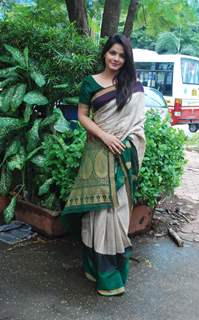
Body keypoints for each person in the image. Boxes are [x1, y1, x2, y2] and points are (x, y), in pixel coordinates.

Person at [61, 33, 146, 296]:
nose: (116, 59)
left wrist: (124, 142)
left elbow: (138, 125)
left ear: (126, 58)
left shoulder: (132, 86)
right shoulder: (90, 83)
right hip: (98, 152)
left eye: (121, 55)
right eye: (113, 53)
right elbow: (82, 115)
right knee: (97, 212)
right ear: (105, 53)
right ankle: (96, 268)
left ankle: (112, 273)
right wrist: (105, 136)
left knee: (117, 214)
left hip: (122, 155)